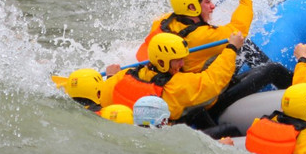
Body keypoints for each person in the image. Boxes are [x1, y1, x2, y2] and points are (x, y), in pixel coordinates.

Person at [128, 0, 293, 115]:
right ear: (191, 7)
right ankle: (299, 92)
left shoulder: (164, 22)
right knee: (272, 68)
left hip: (179, 88)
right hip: (207, 101)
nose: (213, 6)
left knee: (243, 47)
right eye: (207, 2)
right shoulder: (201, 36)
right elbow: (239, 31)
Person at [99, 31, 245, 139]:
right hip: (164, 137)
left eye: (183, 59)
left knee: (197, 111)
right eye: (177, 60)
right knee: (230, 129)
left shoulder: (124, 75)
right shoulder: (175, 86)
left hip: (136, 130)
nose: (182, 64)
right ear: (161, 62)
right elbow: (213, 81)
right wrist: (232, 48)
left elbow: (104, 99)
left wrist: (111, 76)